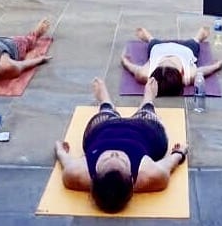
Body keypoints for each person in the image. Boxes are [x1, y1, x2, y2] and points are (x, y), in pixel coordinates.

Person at [55, 78, 187, 213]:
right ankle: (148, 100)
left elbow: (66, 161)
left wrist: (60, 152)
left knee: (105, 114)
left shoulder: (76, 174)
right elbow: (168, 165)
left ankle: (105, 102)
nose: (114, 153)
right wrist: (179, 154)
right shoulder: (150, 175)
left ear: (92, 177)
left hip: (104, 128)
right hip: (144, 129)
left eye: (106, 159)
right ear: (132, 179)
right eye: (122, 161)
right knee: (147, 112)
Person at [120, 26, 222, 97]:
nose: (168, 58)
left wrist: (125, 62)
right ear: (182, 72)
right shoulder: (189, 75)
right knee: (193, 43)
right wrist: (216, 66)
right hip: (185, 50)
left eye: (163, 63)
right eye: (171, 63)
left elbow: (134, 69)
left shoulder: (145, 74)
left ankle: (149, 38)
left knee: (153, 43)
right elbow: (203, 71)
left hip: (158, 48)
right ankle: (198, 37)